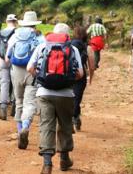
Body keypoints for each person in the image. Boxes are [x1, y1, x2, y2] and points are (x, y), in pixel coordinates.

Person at [27, 23, 84, 174]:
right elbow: (80, 74)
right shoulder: (73, 49)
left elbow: (29, 68)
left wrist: (41, 78)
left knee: (46, 125)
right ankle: (64, 159)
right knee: (65, 125)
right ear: (67, 35)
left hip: (44, 93)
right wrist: (68, 79)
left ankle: (47, 164)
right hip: (66, 94)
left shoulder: (42, 46)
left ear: (53, 33)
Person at [5, 11, 45, 149]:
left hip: (16, 71)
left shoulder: (15, 35)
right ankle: (26, 126)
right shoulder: (39, 37)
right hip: (32, 72)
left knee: (18, 101)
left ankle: (19, 129)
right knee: (30, 102)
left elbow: (7, 57)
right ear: (35, 23)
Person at [0, 14, 18, 120]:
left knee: (4, 83)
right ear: (16, 22)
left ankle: (3, 109)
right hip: (14, 60)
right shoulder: (18, 32)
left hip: (3, 60)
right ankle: (14, 105)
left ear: (6, 21)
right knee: (16, 83)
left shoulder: (1, 32)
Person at [71, 25, 95, 132]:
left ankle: (73, 118)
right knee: (77, 98)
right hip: (81, 76)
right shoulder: (88, 47)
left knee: (70, 98)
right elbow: (92, 66)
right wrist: (90, 77)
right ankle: (75, 118)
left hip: (69, 75)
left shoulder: (69, 45)